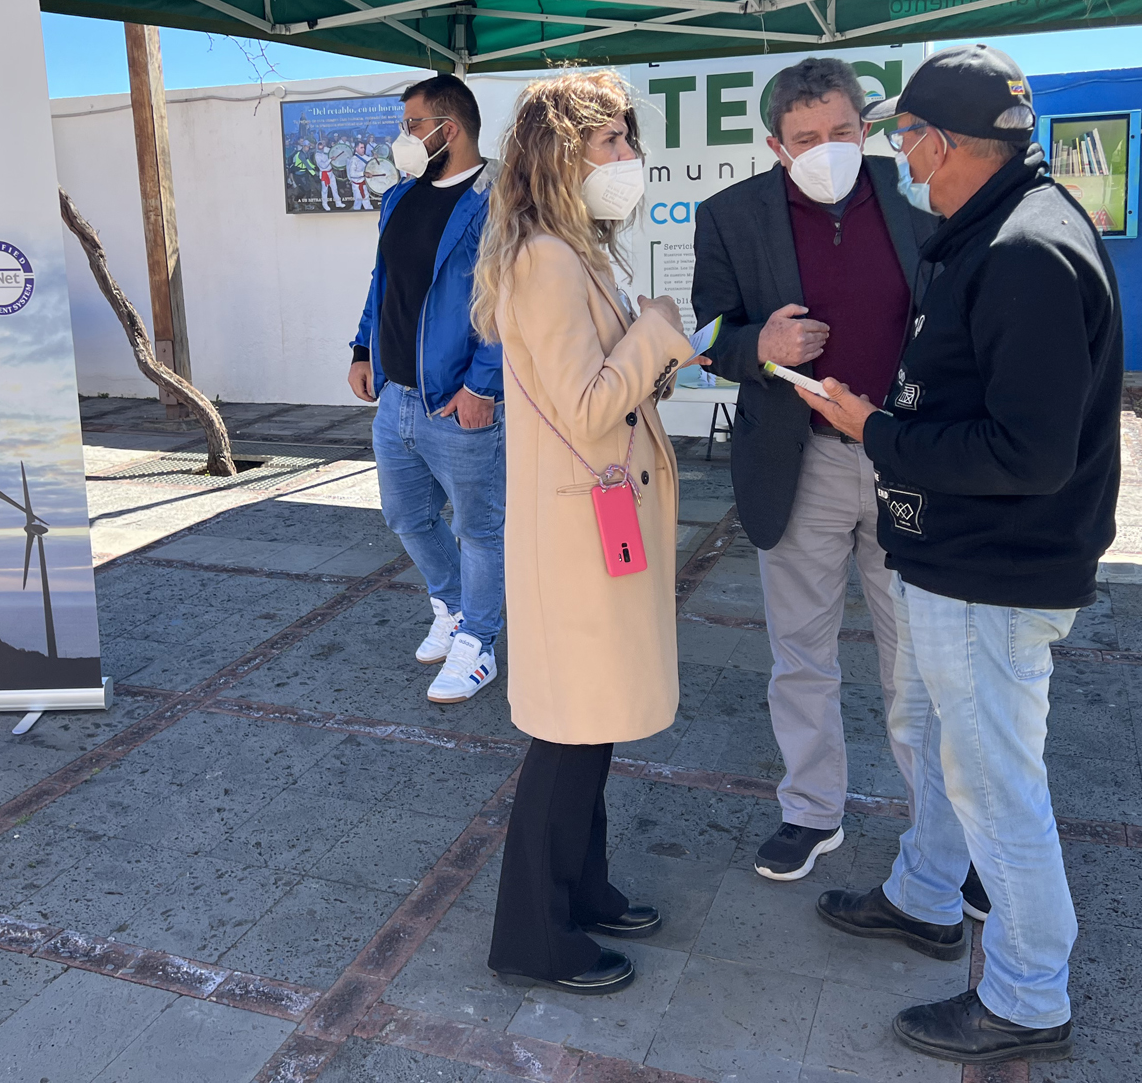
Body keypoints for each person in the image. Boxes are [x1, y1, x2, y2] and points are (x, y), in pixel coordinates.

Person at [798, 44, 1123, 1066]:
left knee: (992, 779)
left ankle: (1027, 994)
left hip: (996, 568)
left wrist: (870, 430)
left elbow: (1026, 453)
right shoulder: (992, 227)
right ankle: (924, 893)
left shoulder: (1025, 250)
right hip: (953, 558)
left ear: (938, 143)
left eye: (899, 136)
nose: (894, 153)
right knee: (925, 726)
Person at [472, 70, 700, 996]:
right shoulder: (545, 258)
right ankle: (535, 932)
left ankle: (585, 888)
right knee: (569, 734)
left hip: (596, 524)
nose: (628, 158)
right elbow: (587, 403)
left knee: (593, 724)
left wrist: (652, 350)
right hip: (577, 536)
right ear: (561, 152)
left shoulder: (577, 248)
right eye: (610, 142)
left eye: (627, 140)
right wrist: (656, 333)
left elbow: (604, 389)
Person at [691, 57, 943, 886]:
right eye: (806, 139)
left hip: (907, 457)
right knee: (801, 651)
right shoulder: (730, 217)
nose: (827, 149)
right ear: (775, 145)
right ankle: (811, 810)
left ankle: (943, 833)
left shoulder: (917, 194)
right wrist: (758, 346)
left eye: (842, 132)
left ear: (864, 129)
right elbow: (712, 335)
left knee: (918, 657)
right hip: (800, 462)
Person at [348, 74, 505, 703]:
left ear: (451, 127)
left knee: (480, 529)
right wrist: (363, 348)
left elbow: (508, 303)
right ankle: (453, 608)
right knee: (406, 515)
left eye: (413, 125)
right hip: (398, 398)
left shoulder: (500, 199)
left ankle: (480, 644)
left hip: (459, 400)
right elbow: (383, 283)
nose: (403, 138)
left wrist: (482, 386)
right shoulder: (400, 199)